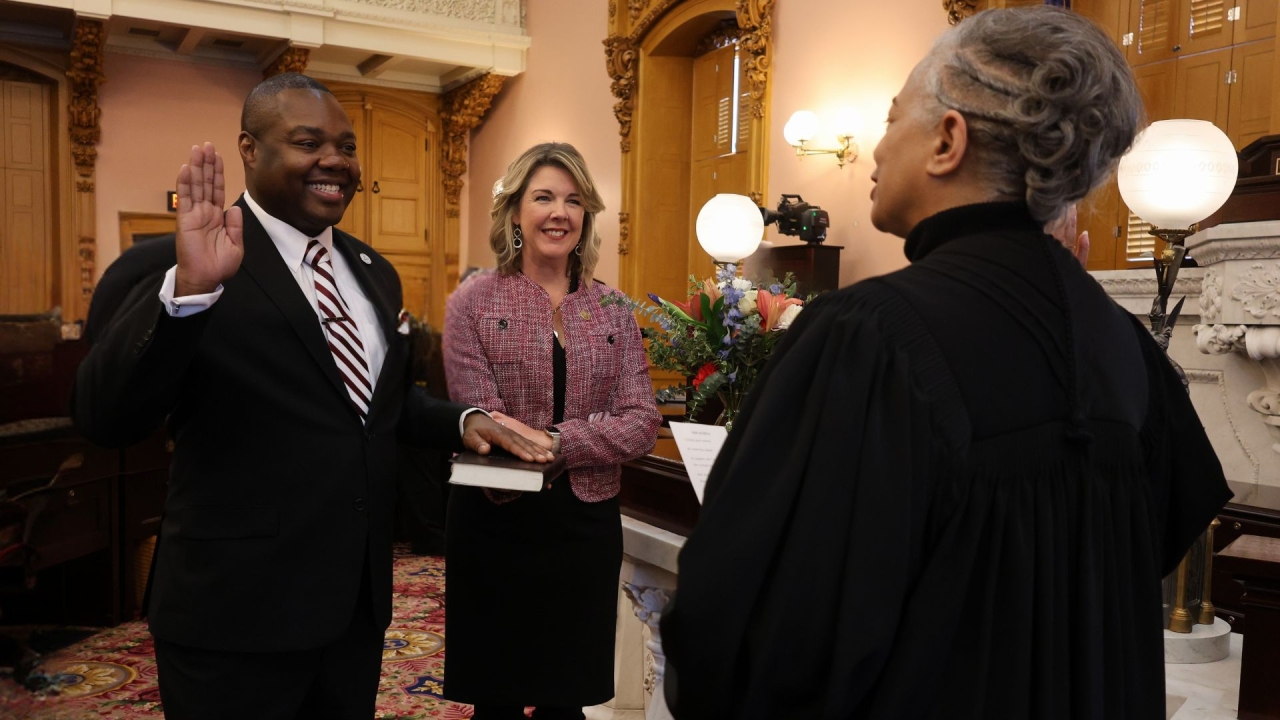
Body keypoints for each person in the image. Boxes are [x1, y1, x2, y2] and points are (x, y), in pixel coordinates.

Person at [659, 8, 1232, 720]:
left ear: (946, 140)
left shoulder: (869, 336)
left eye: (894, 117)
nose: (875, 148)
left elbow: (750, 633)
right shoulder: (1121, 340)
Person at [71, 73, 550, 720]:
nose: (336, 161)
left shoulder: (374, 273)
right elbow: (106, 417)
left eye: (347, 147)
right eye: (308, 142)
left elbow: (370, 406)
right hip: (234, 616)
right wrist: (189, 296)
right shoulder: (174, 266)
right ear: (250, 148)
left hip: (353, 611)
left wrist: (465, 419)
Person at [442, 142, 662, 720]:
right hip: (495, 520)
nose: (558, 212)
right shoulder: (473, 302)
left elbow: (641, 422)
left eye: (572, 200)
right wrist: (585, 436)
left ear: (586, 214)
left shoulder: (613, 308)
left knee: (569, 702)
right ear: (515, 211)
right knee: (497, 701)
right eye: (543, 197)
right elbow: (484, 422)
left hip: (584, 528)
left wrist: (565, 442)